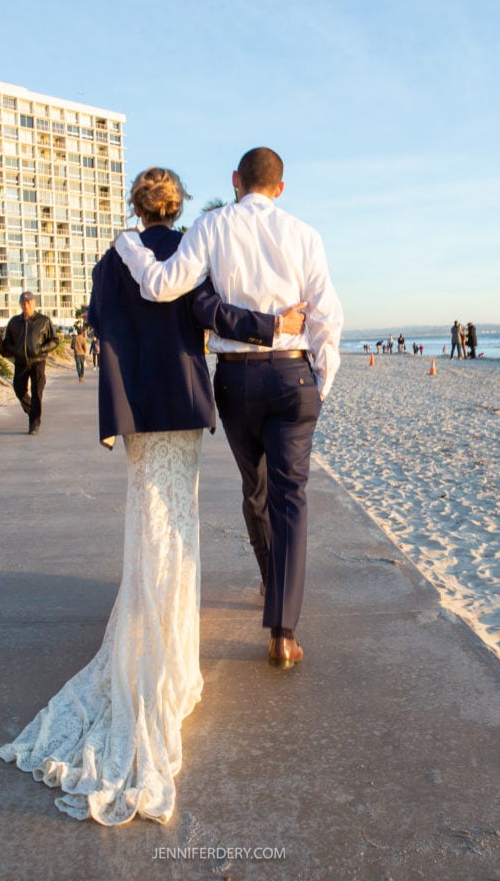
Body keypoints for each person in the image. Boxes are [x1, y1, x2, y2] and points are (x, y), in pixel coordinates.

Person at [0, 166, 304, 826]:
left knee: (146, 520)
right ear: (176, 206)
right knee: (179, 521)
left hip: (135, 409)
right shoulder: (188, 249)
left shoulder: (114, 260)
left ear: (136, 208)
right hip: (184, 403)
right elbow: (205, 311)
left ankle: (146, 626)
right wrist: (273, 327)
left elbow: (100, 321)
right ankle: (170, 644)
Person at [115, 147, 343, 670]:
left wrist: (128, 246)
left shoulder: (212, 226)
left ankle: (270, 578)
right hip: (293, 374)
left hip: (238, 380)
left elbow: (161, 286)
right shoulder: (305, 235)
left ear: (237, 180)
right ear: (280, 188)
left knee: (256, 490)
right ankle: (283, 631)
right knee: (293, 498)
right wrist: (320, 383)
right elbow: (328, 316)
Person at [2, 291, 59, 434]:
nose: (26, 305)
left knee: (37, 391)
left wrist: (41, 349)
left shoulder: (44, 321)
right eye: (23, 302)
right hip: (21, 361)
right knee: (19, 390)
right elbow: (7, 341)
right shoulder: (14, 322)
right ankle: (33, 412)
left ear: (34, 303)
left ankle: (34, 423)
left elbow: (55, 340)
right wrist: (14, 350)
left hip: (38, 361)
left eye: (29, 302)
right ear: (20, 304)